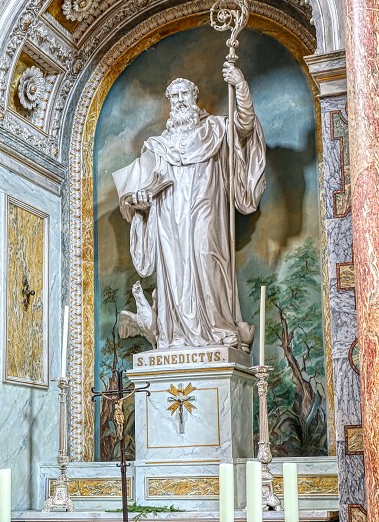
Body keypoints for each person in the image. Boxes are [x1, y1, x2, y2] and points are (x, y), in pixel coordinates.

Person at [112, 64, 266, 350]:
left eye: (185, 93)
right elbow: (133, 196)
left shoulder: (216, 130)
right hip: (169, 222)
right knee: (175, 275)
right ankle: (176, 337)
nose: (180, 99)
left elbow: (245, 126)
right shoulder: (157, 146)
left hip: (207, 214)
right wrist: (141, 203)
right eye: (175, 96)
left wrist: (240, 85)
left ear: (195, 98)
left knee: (207, 260)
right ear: (170, 103)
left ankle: (217, 330)